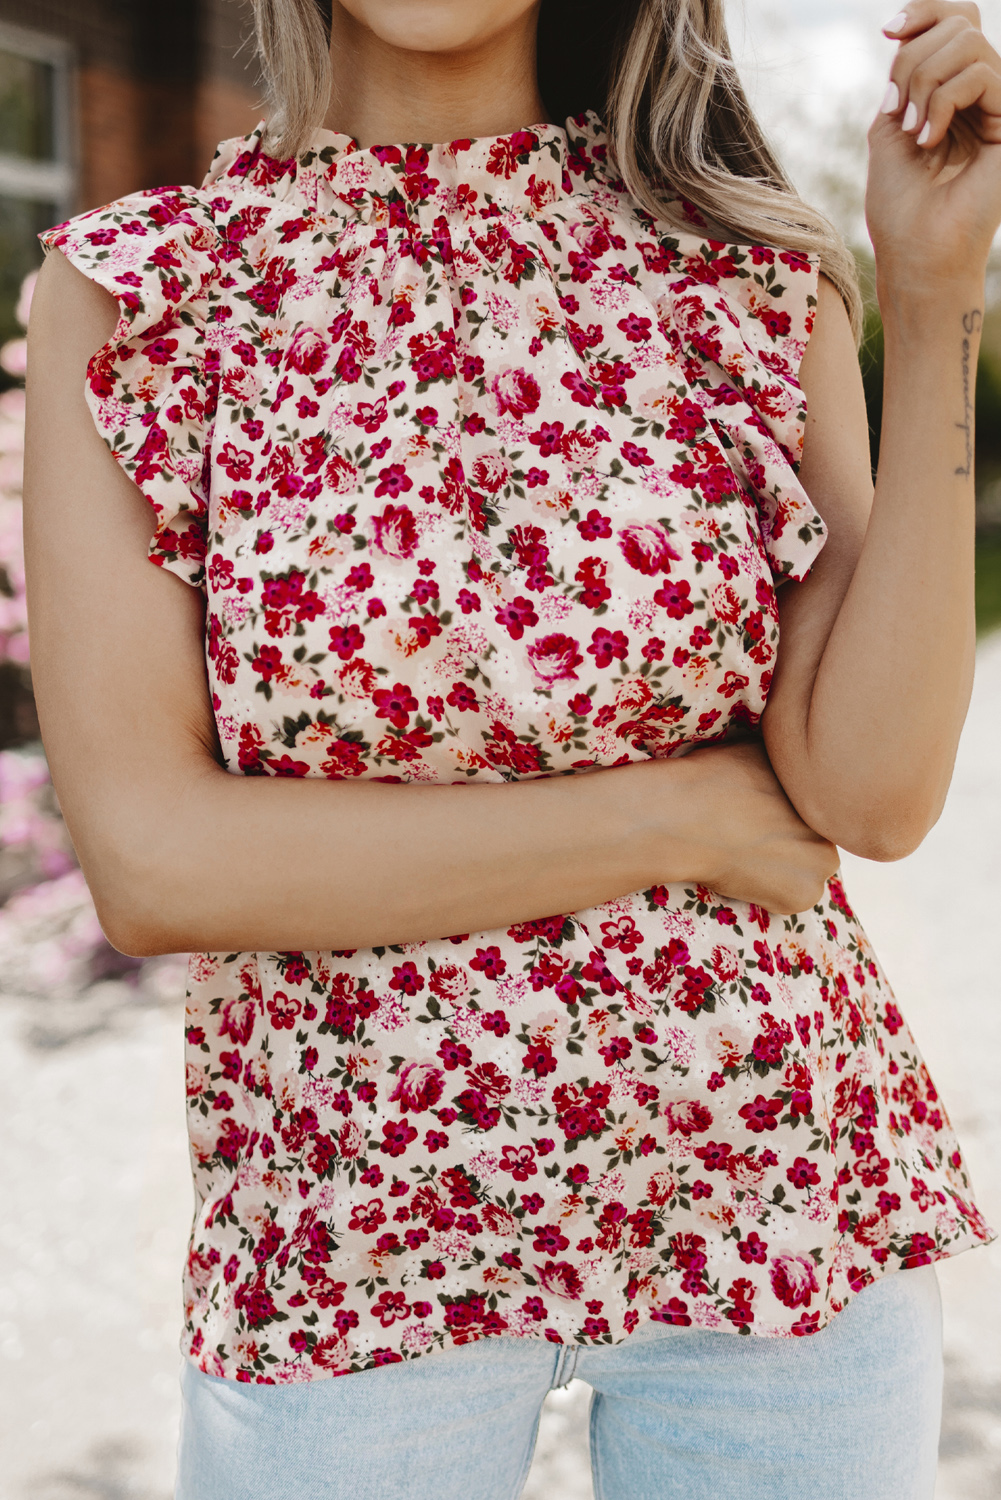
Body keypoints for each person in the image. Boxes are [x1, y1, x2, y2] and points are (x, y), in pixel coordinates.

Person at [22, 0, 1000, 1495]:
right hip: (352, 1244)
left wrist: (932, 302)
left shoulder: (745, 275)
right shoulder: (144, 294)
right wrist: (681, 817)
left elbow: (865, 795)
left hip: (773, 1206)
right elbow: (159, 861)